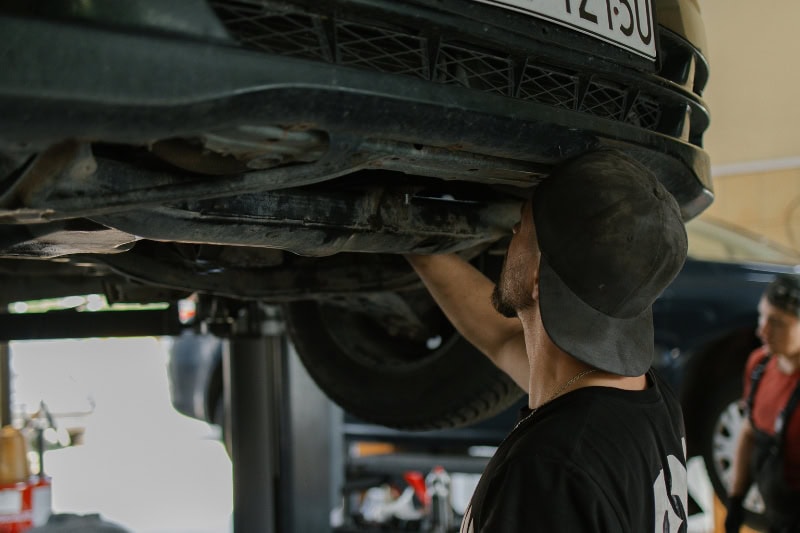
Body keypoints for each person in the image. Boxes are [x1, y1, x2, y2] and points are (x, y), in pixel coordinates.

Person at [406, 149, 690, 532]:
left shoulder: (547, 472)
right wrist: (415, 247)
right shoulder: (648, 405)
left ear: (538, 275)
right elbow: (503, 338)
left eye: (522, 225)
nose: (511, 234)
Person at [725, 274, 800, 533]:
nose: (762, 331)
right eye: (762, 316)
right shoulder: (759, 365)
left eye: (777, 323)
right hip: (776, 518)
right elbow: (749, 431)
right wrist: (735, 500)